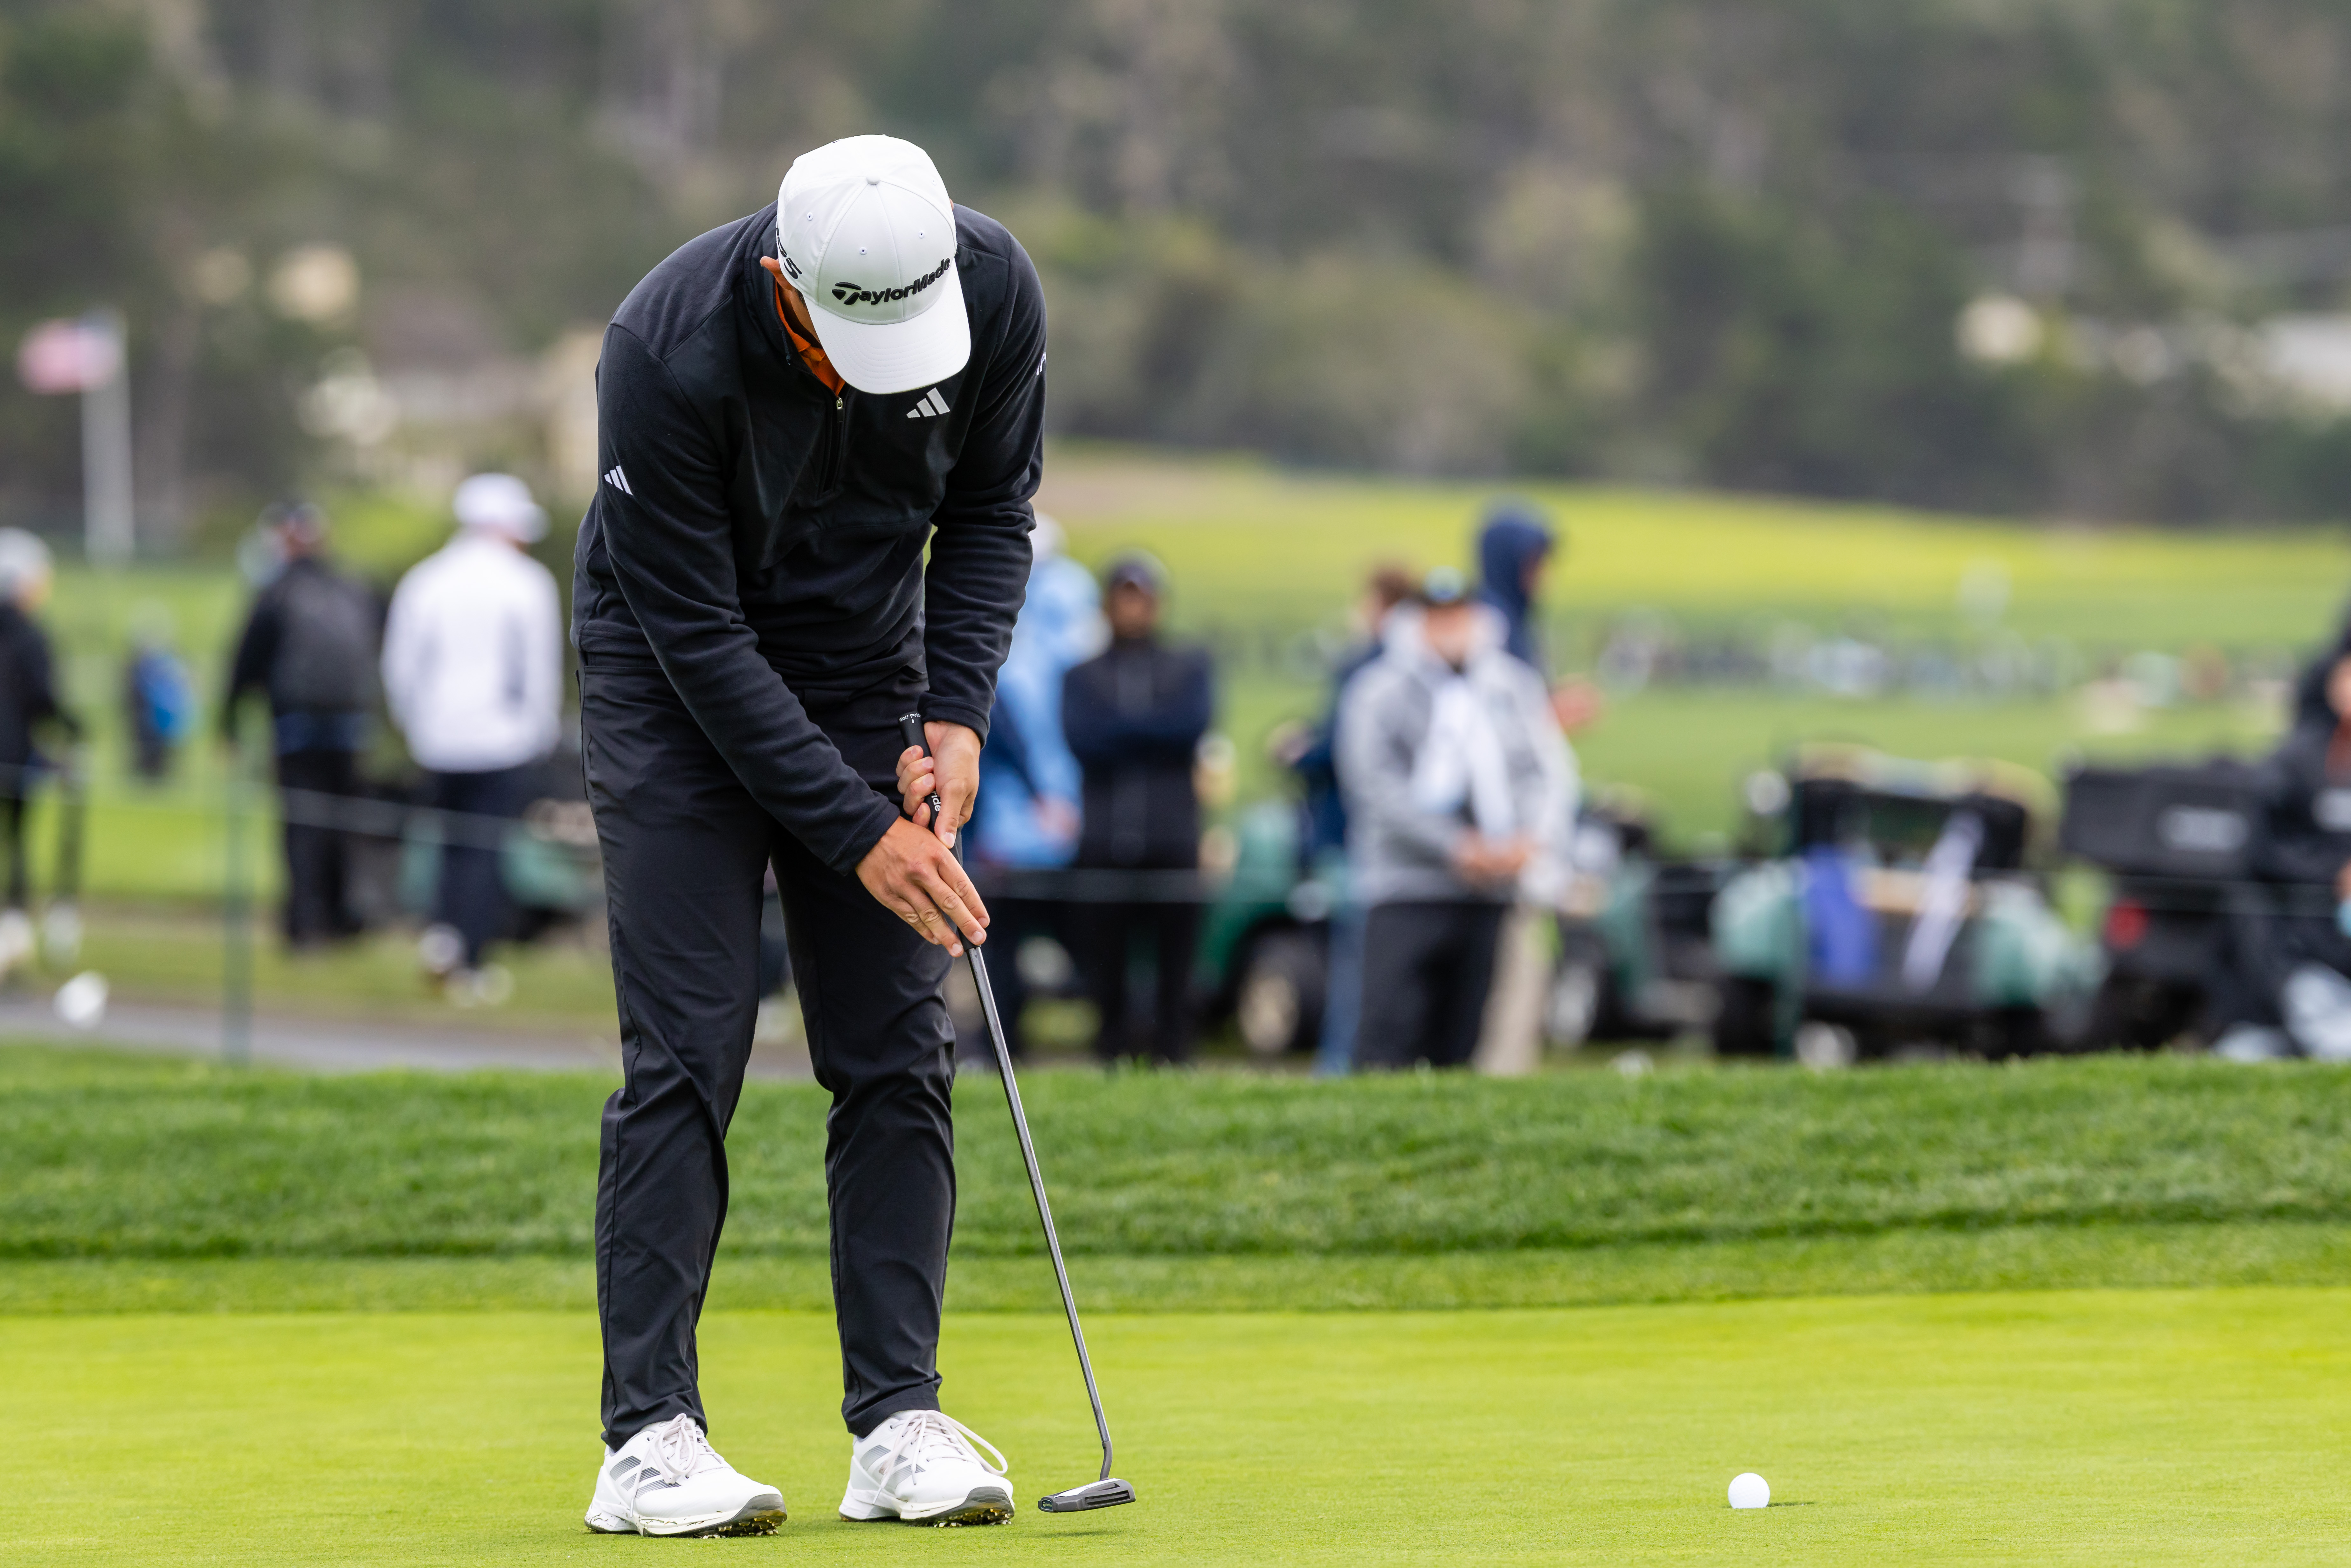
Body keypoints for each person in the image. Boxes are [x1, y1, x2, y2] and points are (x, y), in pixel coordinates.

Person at [572, 134, 1044, 1536]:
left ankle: (897, 1421)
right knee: (690, 1047)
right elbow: (702, 641)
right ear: (787, 284)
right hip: (673, 677)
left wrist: (954, 714)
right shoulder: (662, 345)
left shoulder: (997, 286)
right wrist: (855, 835)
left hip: (861, 675)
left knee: (900, 1045)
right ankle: (646, 1439)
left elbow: (989, 512)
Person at [1337, 567, 1576, 1070]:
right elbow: (1376, 785)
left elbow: (1542, 770)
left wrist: (1525, 841)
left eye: (1458, 614)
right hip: (1406, 887)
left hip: (1488, 891)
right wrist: (1455, 846)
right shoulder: (1380, 691)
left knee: (1463, 1036)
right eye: (1437, 616)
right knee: (1389, 1029)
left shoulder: (1508, 686)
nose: (1449, 628)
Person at [381, 473, 565, 1002]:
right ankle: (471, 960)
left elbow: (401, 666)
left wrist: (414, 724)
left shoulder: (426, 579)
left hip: (435, 738)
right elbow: (538, 669)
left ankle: (443, 938)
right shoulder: (527, 582)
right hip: (501, 739)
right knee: (485, 848)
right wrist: (538, 730)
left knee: (447, 843)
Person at [1061, 552, 1214, 1063]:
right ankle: (1112, 1056)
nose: (1133, 608)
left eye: (1141, 597)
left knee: (1177, 966)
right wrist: (1151, 730)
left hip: (1173, 840)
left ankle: (1174, 1056)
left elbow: (1189, 730)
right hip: (1105, 842)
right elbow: (1084, 741)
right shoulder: (1080, 675)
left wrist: (1124, 729)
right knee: (1105, 966)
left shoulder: (1187, 666)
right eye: (1123, 596)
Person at [960, 514, 1099, 1058]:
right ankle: (1003, 1041)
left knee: (1009, 939)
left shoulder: (1022, 621)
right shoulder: (1070, 618)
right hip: (1036, 820)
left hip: (1022, 821)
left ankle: (1002, 1043)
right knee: (1016, 937)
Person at [221, 502, 380, 948]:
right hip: (351, 727)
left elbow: (245, 662)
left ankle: (306, 926)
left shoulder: (277, 591)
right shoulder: (352, 586)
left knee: (303, 826)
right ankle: (344, 920)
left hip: (297, 728)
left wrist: (229, 724)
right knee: (343, 824)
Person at [1280, 563, 1414, 1074]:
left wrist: (1298, 753)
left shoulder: (1368, 667)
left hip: (1353, 836)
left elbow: (1342, 749)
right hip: (1387, 843)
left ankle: (1338, 1068)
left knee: (1354, 965)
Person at [0, 531, 79, 976]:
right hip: (13, 757)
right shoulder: (30, 635)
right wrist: (73, 728)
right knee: (15, 844)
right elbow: (43, 698)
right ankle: (12, 933)